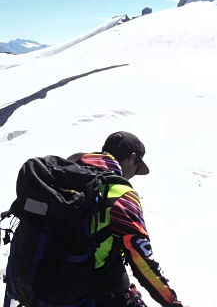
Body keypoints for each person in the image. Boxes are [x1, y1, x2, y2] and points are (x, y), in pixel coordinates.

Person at [68, 131, 183, 307]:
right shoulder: (120, 194)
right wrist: (171, 302)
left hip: (40, 284)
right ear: (132, 157)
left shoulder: (67, 172)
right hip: (87, 295)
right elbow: (142, 261)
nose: (133, 175)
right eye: (137, 167)